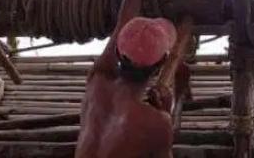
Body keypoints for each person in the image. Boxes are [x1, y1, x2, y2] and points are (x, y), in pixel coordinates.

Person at [76, 13, 185, 158]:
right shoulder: (157, 123)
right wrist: (169, 109)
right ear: (161, 64)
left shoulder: (95, 83)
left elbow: (123, 18)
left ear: (118, 52)